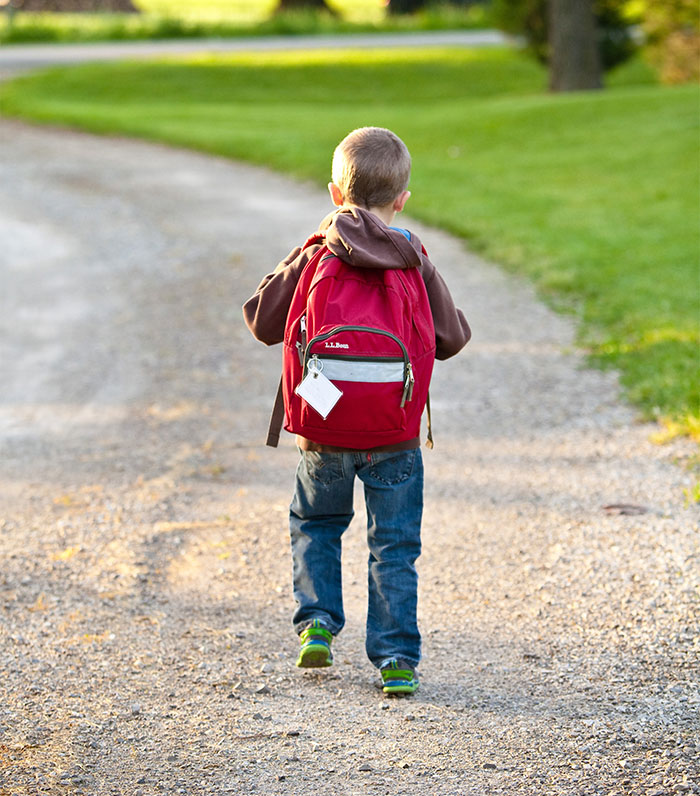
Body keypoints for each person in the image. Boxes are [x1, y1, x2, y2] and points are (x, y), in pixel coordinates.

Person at [242, 127, 470, 695]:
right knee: (393, 545)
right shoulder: (411, 254)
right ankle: (395, 659)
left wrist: (307, 246)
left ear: (334, 195)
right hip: (395, 432)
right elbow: (452, 338)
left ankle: (317, 623)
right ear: (402, 200)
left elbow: (262, 321)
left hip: (324, 430)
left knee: (317, 524)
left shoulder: (319, 252)